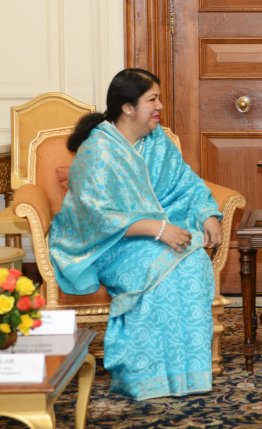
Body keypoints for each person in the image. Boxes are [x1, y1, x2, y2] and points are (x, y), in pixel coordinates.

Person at [49, 68, 223, 400]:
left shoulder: (157, 143)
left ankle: (185, 376)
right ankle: (143, 374)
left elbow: (187, 184)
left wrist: (208, 213)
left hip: (158, 234)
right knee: (154, 264)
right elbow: (95, 217)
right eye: (152, 99)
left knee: (190, 262)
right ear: (128, 108)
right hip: (109, 245)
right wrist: (157, 230)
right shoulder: (97, 152)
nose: (159, 106)